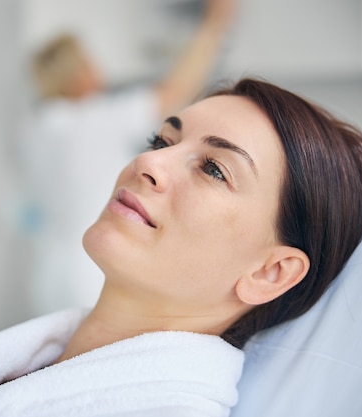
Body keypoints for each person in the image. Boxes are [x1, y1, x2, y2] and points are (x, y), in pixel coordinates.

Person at [0, 78, 362, 417]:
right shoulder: (17, 363)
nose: (149, 164)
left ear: (271, 272)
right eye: (163, 142)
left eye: (214, 168)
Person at [23, 0, 238, 314]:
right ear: (75, 74)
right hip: (91, 271)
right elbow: (175, 91)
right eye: (87, 62)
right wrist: (215, 24)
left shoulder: (39, 126)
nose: (95, 69)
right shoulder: (92, 119)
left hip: (49, 272)